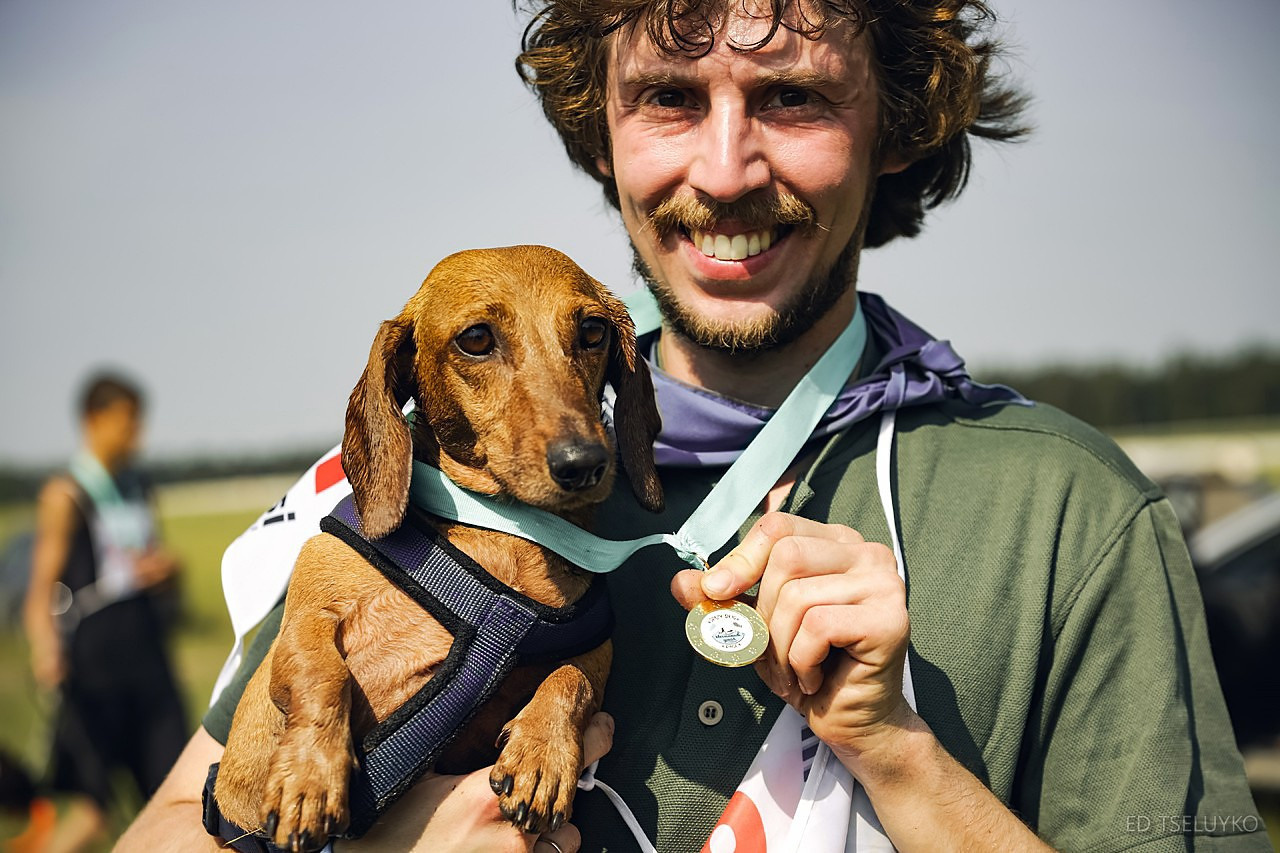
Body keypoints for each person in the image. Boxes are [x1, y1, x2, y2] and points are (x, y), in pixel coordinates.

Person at [120, 1, 1268, 850]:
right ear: (603, 130)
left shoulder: (1069, 516)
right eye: (669, 96)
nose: (723, 172)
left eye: (793, 96)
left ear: (895, 124)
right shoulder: (416, 490)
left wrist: (899, 754)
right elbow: (172, 823)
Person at [24, 372, 187, 852]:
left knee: (176, 791)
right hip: (95, 664)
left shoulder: (138, 485)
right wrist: (45, 648)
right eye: (127, 421)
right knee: (93, 812)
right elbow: (41, 588)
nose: (137, 433)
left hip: (148, 655)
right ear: (92, 420)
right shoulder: (66, 494)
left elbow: (143, 557)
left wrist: (167, 569)